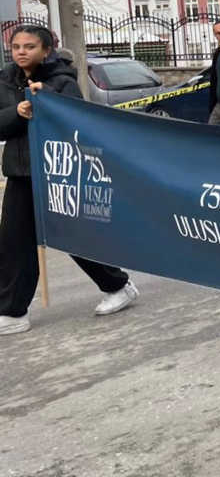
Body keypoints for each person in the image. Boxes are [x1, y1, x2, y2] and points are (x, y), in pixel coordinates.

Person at [0, 26, 139, 335]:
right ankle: (11, 312)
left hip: (56, 171)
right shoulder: (5, 81)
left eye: (30, 46)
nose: (21, 51)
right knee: (13, 243)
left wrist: (45, 101)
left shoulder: (62, 81)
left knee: (72, 235)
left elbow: (75, 120)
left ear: (46, 50)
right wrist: (16, 113)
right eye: (16, 46)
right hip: (20, 172)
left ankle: (118, 285)